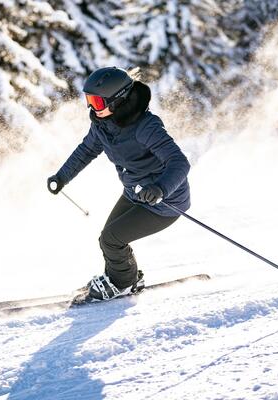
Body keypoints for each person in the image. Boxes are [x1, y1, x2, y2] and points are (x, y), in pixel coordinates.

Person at [47, 66, 191, 302]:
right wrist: (62, 177)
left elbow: (179, 162)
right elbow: (86, 151)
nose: (92, 107)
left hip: (165, 201)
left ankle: (121, 283)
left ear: (118, 101)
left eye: (98, 102)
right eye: (89, 100)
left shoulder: (146, 126)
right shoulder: (102, 125)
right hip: (135, 193)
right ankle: (128, 278)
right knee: (108, 238)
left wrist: (160, 188)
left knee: (112, 238)